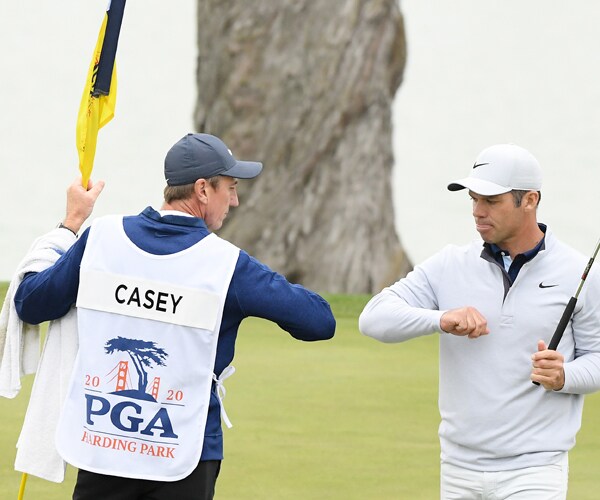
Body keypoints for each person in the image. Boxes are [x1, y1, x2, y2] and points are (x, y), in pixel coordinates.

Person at [13, 132, 336, 500]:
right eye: (229, 188)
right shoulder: (228, 265)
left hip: (104, 446)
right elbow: (319, 322)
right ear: (202, 189)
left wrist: (71, 223)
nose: (235, 200)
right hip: (185, 453)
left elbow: (31, 302)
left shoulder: (100, 238)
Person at [358, 143, 600, 499]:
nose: (477, 212)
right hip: (458, 469)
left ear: (530, 200)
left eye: (491, 201)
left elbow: (596, 357)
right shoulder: (449, 264)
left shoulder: (579, 271)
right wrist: (441, 319)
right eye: (473, 199)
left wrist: (565, 375)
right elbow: (373, 319)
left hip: (535, 470)